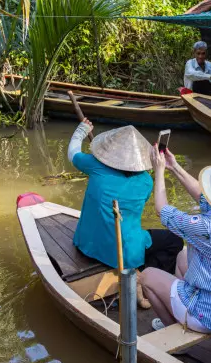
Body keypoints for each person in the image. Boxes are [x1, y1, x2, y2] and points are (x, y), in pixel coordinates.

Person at [67, 121, 184, 306]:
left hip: (87, 245)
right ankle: (145, 276)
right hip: (126, 252)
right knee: (174, 240)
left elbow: (72, 153)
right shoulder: (146, 181)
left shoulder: (95, 166)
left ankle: (139, 277)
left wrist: (81, 131)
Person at [140, 147, 211, 333]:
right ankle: (179, 312)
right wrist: (174, 167)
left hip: (208, 316)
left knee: (147, 276)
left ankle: (173, 328)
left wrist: (159, 170)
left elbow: (162, 210)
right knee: (181, 256)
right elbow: (203, 197)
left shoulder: (207, 227)